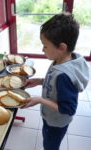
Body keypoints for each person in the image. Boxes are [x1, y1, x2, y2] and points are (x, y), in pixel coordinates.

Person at [22, 13, 90, 150]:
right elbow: (56, 85)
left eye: (45, 46)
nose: (42, 49)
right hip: (51, 116)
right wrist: (40, 81)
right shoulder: (63, 59)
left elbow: (68, 108)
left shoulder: (64, 76)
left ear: (62, 47)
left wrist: (40, 100)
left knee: (50, 146)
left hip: (57, 122)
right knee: (47, 139)